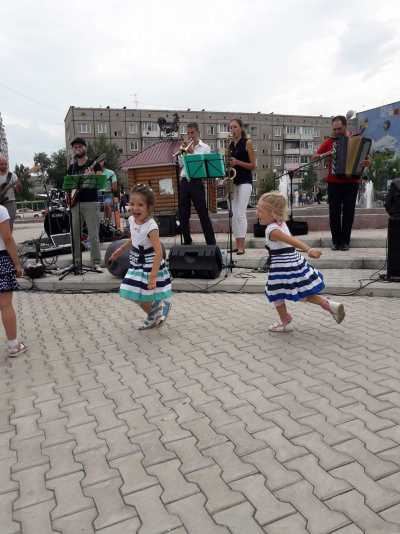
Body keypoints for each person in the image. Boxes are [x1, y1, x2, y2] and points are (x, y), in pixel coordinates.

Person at [257, 191, 345, 332]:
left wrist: (309, 249)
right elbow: (287, 244)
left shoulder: (271, 230)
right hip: (292, 261)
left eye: (260, 210)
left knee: (274, 292)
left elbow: (292, 240)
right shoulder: (281, 224)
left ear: (272, 213)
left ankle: (285, 319)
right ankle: (329, 305)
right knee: (301, 292)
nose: (257, 213)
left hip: (283, 266)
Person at [110, 184, 172, 330]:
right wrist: (119, 250)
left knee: (142, 295)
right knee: (132, 293)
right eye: (132, 204)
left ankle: (154, 315)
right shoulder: (132, 220)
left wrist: (153, 276)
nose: (135, 208)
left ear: (149, 207)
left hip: (150, 265)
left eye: (140, 205)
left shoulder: (151, 227)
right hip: (136, 262)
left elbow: (159, 252)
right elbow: (134, 239)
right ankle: (156, 311)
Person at [312, 115, 369, 251]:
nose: (336, 132)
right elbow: (314, 156)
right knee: (334, 213)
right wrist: (326, 154)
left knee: (349, 212)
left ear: (345, 126)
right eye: (334, 129)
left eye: (339, 129)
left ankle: (345, 241)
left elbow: (367, 159)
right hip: (334, 182)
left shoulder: (356, 140)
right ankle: (336, 241)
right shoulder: (330, 141)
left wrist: (367, 163)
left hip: (352, 181)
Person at [179, 122, 216, 245]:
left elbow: (202, 166)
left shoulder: (205, 147)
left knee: (202, 213)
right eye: (188, 133)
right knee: (184, 213)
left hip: (196, 181)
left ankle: (211, 243)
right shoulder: (184, 146)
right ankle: (187, 241)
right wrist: (183, 152)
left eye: (192, 133)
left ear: (198, 132)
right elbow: (181, 165)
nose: (190, 135)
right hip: (184, 180)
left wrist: (191, 153)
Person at [67, 137, 101, 268]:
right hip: (75, 204)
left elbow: (100, 182)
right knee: (74, 234)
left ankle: (96, 262)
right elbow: (68, 186)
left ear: (85, 148)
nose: (78, 149)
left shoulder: (94, 164)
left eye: (80, 146)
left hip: (91, 203)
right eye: (75, 147)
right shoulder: (71, 168)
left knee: (93, 235)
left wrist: (92, 176)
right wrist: (69, 200)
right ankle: (76, 262)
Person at [0, 203, 27, 356]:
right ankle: (13, 345)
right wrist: (17, 263)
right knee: (5, 304)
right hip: (1, 258)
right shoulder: (1, 210)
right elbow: (7, 238)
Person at [228, 119, 256, 254]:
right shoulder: (231, 145)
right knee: (234, 215)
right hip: (234, 182)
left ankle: (242, 246)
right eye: (231, 127)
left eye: (235, 127)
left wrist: (237, 162)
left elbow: (253, 165)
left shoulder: (247, 143)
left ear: (240, 128)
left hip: (245, 181)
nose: (232, 130)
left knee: (240, 213)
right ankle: (237, 243)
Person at [0, 155, 22, 230]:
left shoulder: (12, 175)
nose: (4, 166)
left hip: (10, 203)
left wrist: (18, 186)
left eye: (5, 164)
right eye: (2, 164)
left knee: (9, 226)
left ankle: (8, 240)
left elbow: (18, 191)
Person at [95, 157, 118, 221]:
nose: (100, 163)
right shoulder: (93, 173)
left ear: (104, 162)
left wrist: (111, 188)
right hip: (97, 194)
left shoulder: (111, 173)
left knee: (107, 205)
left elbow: (115, 188)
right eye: (98, 161)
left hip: (107, 194)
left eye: (101, 161)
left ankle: (108, 223)